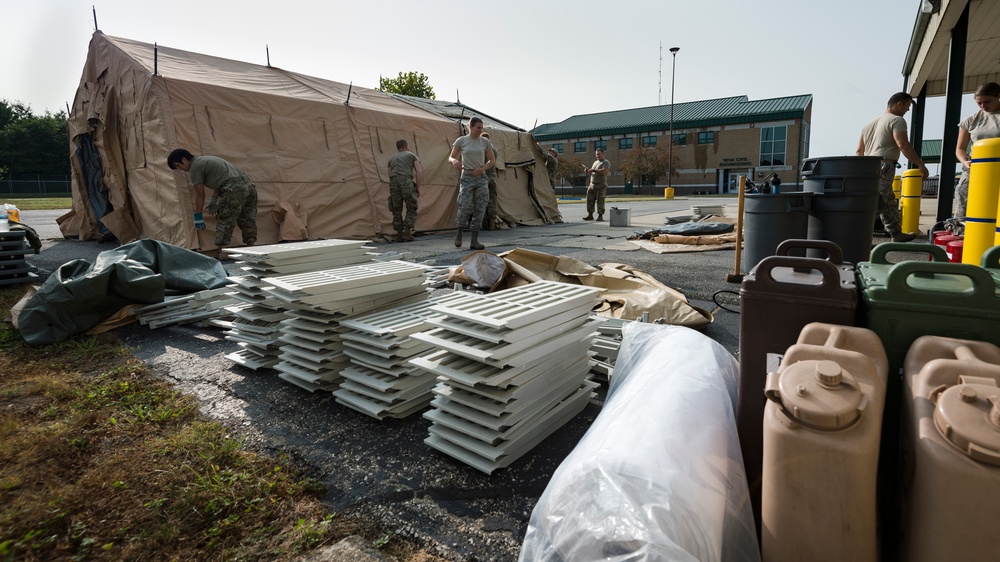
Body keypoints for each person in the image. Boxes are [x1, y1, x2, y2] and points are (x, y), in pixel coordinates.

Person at [856, 92, 928, 243]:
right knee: (880, 200)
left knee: (883, 199)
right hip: (885, 165)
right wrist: (920, 164)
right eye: (907, 107)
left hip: (869, 166)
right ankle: (858, 233)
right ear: (899, 104)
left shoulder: (868, 125)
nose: (907, 111)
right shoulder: (897, 121)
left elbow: (859, 152)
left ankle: (895, 232)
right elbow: (903, 144)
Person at [167, 149, 258, 248]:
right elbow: (224, 179)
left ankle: (222, 251)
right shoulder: (205, 160)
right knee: (247, 218)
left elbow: (200, 194)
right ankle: (251, 246)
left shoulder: (194, 168)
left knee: (225, 219)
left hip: (233, 189)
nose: (180, 169)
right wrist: (214, 198)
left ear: (184, 160)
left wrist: (198, 216)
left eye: (178, 166)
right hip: (249, 186)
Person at [953, 82, 1000, 220]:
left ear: (998, 96)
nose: (983, 106)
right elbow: (960, 148)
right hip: (976, 166)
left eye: (987, 101)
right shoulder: (971, 120)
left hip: (997, 165)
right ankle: (961, 231)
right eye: (979, 103)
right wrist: (965, 161)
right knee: (962, 195)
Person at [448, 117, 495, 250]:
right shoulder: (461, 141)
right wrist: (454, 161)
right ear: (471, 127)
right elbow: (451, 156)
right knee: (465, 206)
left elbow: (492, 160)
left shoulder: (484, 142)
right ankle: (459, 233)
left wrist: (481, 169)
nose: (480, 130)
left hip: (481, 178)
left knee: (480, 207)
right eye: (478, 128)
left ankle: (474, 240)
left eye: (482, 128)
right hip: (467, 177)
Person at [387, 139, 423, 242]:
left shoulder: (391, 158)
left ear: (398, 147)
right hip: (406, 181)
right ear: (406, 146)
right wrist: (418, 187)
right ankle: (407, 232)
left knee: (396, 208)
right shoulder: (411, 155)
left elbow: (389, 174)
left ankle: (399, 233)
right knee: (412, 206)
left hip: (394, 183)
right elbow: (419, 171)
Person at [584, 148, 610, 221]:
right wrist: (588, 171)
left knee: (600, 201)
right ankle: (590, 215)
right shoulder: (595, 162)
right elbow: (592, 172)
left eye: (599, 154)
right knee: (589, 200)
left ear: (603, 154)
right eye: (596, 154)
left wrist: (594, 170)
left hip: (601, 185)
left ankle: (600, 216)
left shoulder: (605, 162)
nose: (597, 156)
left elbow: (604, 171)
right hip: (592, 185)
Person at [480, 132, 499, 231]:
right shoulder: (494, 150)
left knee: (481, 201)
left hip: (482, 178)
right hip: (492, 178)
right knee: (492, 201)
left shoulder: (481, 150)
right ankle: (492, 223)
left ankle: (482, 223)